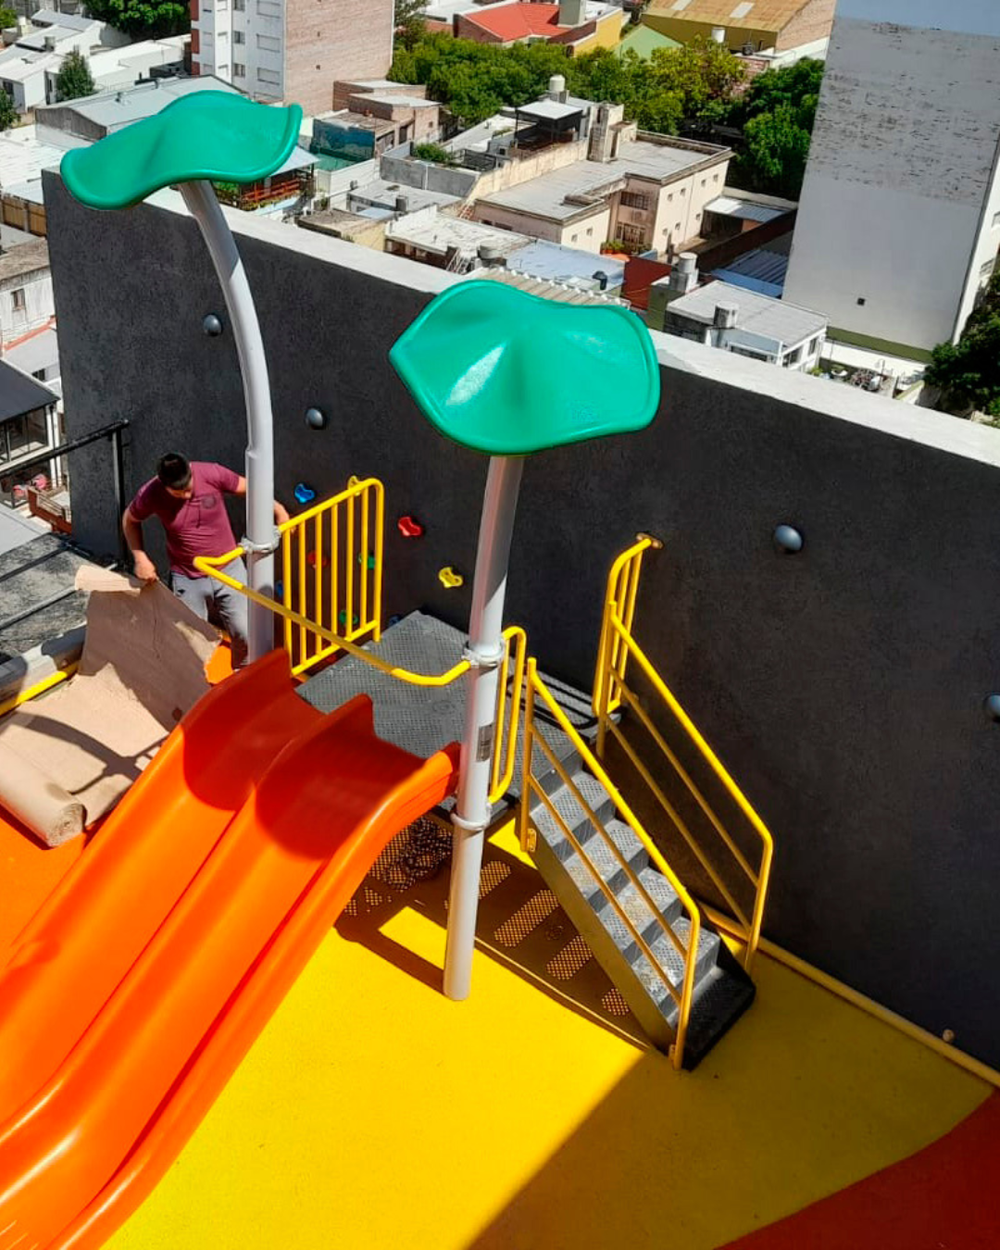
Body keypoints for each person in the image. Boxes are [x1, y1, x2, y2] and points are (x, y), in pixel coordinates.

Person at [122, 453, 288, 668]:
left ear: (191, 472)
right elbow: (129, 520)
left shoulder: (211, 473)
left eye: (188, 488)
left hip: (229, 568)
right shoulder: (150, 494)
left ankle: (243, 673)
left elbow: (250, 487)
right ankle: (192, 682)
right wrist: (140, 558)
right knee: (190, 640)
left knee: (247, 633)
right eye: (178, 493)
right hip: (188, 576)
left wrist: (279, 510)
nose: (186, 495)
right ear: (164, 486)